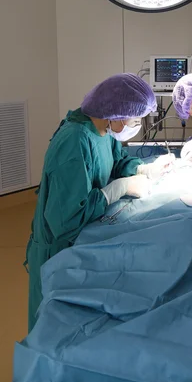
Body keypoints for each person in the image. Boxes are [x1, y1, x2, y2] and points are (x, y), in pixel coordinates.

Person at [26, 73, 174, 331]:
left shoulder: (103, 131)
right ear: (115, 115)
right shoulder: (75, 141)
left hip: (79, 242)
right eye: (135, 119)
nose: (136, 124)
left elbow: (116, 163)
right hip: (59, 250)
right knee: (54, 330)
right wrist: (120, 188)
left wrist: (144, 170)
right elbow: (67, 219)